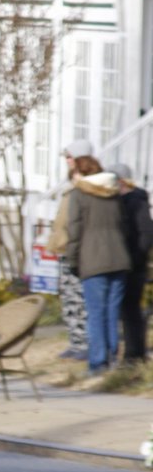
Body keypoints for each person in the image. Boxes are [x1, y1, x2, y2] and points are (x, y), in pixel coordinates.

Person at [64, 154, 131, 376]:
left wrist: (72, 261)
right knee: (112, 312)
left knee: (95, 313)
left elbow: (74, 230)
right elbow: (123, 223)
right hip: (119, 258)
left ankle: (97, 362)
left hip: (93, 259)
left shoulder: (79, 194)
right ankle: (112, 357)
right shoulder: (114, 192)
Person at [47, 140, 92, 360]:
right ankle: (75, 341)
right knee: (68, 298)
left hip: (78, 252)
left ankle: (84, 343)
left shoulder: (85, 186)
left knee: (79, 299)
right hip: (65, 250)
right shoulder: (71, 186)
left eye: (70, 157)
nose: (67, 161)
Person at [106, 163, 153, 363]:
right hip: (125, 263)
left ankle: (135, 353)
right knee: (127, 310)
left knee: (131, 310)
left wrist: (136, 258)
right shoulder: (121, 201)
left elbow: (146, 233)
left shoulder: (136, 200)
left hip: (134, 265)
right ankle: (132, 353)